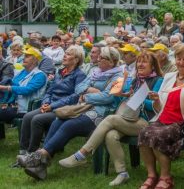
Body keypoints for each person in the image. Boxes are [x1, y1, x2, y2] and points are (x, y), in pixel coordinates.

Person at [17, 47, 123, 180]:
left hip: (101, 114)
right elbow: (78, 88)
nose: (99, 60)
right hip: (83, 109)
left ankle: (37, 159)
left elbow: (108, 98)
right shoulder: (95, 72)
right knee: (58, 121)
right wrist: (92, 90)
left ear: (112, 62)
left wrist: (86, 96)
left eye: (103, 58)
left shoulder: (118, 76)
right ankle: (40, 166)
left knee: (69, 125)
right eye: (100, 57)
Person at [59, 52, 163, 186]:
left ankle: (82, 154)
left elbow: (156, 106)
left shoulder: (158, 80)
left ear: (153, 66)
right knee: (110, 135)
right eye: (139, 61)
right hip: (129, 118)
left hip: (147, 122)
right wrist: (121, 94)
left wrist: (140, 99)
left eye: (145, 62)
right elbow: (122, 101)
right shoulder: (135, 80)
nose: (140, 64)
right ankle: (122, 173)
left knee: (110, 119)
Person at [138, 45, 184, 189]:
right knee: (144, 133)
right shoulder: (169, 76)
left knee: (158, 135)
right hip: (164, 118)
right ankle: (151, 175)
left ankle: (166, 178)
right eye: (178, 58)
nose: (181, 62)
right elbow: (160, 108)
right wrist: (157, 99)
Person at [19, 46, 86, 155]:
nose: (64, 56)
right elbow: (49, 91)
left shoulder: (80, 75)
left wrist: (52, 106)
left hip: (64, 110)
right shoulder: (60, 72)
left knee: (37, 119)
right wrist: (46, 102)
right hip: (50, 106)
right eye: (65, 53)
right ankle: (22, 152)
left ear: (76, 60)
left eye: (68, 54)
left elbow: (75, 97)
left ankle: (32, 154)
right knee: (27, 117)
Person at [0, 47, 47, 123]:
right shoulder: (22, 72)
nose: (24, 58)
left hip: (26, 109)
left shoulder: (40, 75)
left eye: (27, 56)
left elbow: (27, 90)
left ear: (35, 60)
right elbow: (13, 84)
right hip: (12, 106)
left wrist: (5, 88)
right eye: (24, 56)